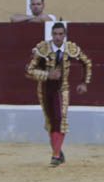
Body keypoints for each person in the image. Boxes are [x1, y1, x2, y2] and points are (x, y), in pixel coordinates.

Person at [25, 23, 92, 166]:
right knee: (51, 122)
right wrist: (47, 75)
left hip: (63, 89)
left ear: (65, 34)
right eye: (55, 34)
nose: (57, 37)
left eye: (60, 34)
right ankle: (58, 151)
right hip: (44, 90)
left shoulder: (71, 49)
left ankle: (55, 155)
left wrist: (84, 83)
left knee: (60, 119)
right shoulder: (43, 49)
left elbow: (87, 63)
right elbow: (29, 71)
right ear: (51, 34)